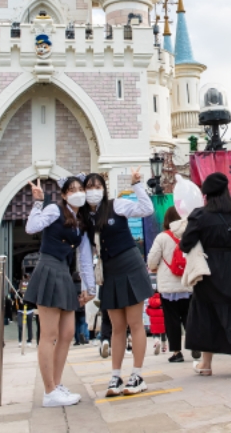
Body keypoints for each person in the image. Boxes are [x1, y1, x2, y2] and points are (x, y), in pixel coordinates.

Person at [78, 169, 154, 397]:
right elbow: (84, 254)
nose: (94, 191)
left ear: (104, 188)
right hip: (109, 270)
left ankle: (137, 375)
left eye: (97, 186)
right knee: (116, 327)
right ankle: (115, 376)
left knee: (135, 322)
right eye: (89, 187)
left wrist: (136, 185)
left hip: (130, 264)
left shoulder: (117, 205)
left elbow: (147, 209)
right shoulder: (84, 219)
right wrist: (89, 287)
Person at [181, 173, 231, 378]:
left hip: (210, 268)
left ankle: (206, 364)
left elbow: (185, 244)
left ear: (207, 194)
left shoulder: (200, 215)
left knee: (208, 313)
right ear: (226, 190)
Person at [25, 176, 96, 409]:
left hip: (64, 272)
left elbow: (85, 258)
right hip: (49, 266)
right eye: (72, 190)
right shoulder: (55, 210)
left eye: (80, 189)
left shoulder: (82, 221)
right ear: (64, 195)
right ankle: (49, 391)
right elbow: (31, 227)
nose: (77, 193)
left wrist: (90, 287)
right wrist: (38, 203)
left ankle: (56, 384)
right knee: (49, 333)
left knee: (67, 333)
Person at [146, 206, 198, 363]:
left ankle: (177, 352)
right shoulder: (191, 235)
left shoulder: (162, 238)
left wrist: (157, 267)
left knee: (172, 320)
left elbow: (151, 261)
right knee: (189, 317)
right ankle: (195, 345)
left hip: (168, 288)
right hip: (188, 284)